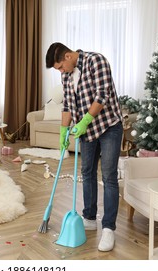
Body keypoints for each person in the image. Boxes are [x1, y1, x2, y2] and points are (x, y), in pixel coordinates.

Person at [45, 43, 123, 251]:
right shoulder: (67, 75)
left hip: (109, 127)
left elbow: (102, 95)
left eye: (61, 67)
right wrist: (63, 131)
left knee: (108, 176)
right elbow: (69, 105)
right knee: (87, 172)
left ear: (68, 56)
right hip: (87, 131)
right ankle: (89, 217)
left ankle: (108, 228)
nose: (61, 72)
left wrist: (86, 119)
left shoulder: (97, 61)